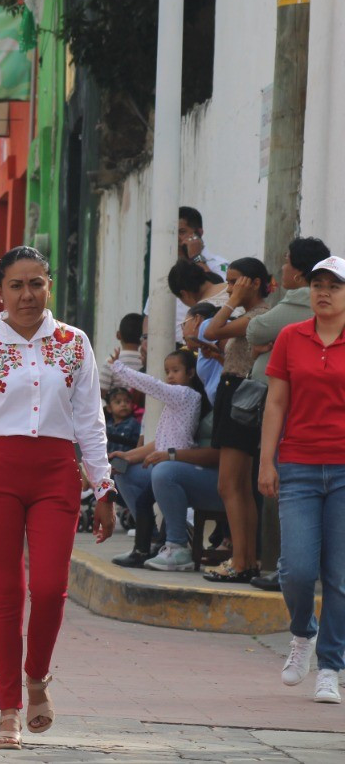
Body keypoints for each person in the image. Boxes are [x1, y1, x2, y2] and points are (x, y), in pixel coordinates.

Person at [0, 245, 115, 750]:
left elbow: (91, 421)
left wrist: (103, 487)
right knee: (7, 594)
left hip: (56, 475)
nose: (26, 295)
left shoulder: (74, 343)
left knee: (50, 586)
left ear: (49, 287)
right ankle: (8, 710)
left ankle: (36, 676)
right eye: (16, 285)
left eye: (36, 283)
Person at [259, 255, 345, 705]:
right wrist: (266, 461)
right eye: (317, 284)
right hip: (297, 466)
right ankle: (302, 633)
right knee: (296, 570)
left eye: (334, 285)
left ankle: (330, 667)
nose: (324, 292)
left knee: (339, 576)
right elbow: (275, 403)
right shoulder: (291, 338)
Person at [241, 236, 332, 590]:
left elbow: (255, 330)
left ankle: (288, 569)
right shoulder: (297, 329)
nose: (323, 295)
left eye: (287, 260)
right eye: (320, 287)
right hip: (302, 439)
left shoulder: (297, 301)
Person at [107, 349, 220, 572]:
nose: (170, 376)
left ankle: (172, 546)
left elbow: (152, 385)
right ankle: (150, 544)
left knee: (150, 491)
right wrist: (128, 456)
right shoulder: (177, 401)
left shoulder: (185, 395)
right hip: (165, 464)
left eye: (175, 371)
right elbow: (160, 442)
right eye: (167, 371)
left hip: (177, 468)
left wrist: (119, 369)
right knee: (124, 472)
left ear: (191, 373)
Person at [196, 257, 273, 583]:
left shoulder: (258, 315)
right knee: (239, 486)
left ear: (253, 283)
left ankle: (241, 561)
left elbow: (211, 330)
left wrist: (232, 301)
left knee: (230, 485)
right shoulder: (250, 317)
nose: (229, 288)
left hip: (241, 398)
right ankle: (246, 559)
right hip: (236, 395)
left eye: (234, 281)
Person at [105, 388, 141, 454]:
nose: (123, 405)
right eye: (118, 402)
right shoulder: (107, 425)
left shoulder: (134, 424)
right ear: (109, 408)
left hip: (126, 459)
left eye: (127, 402)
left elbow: (138, 445)